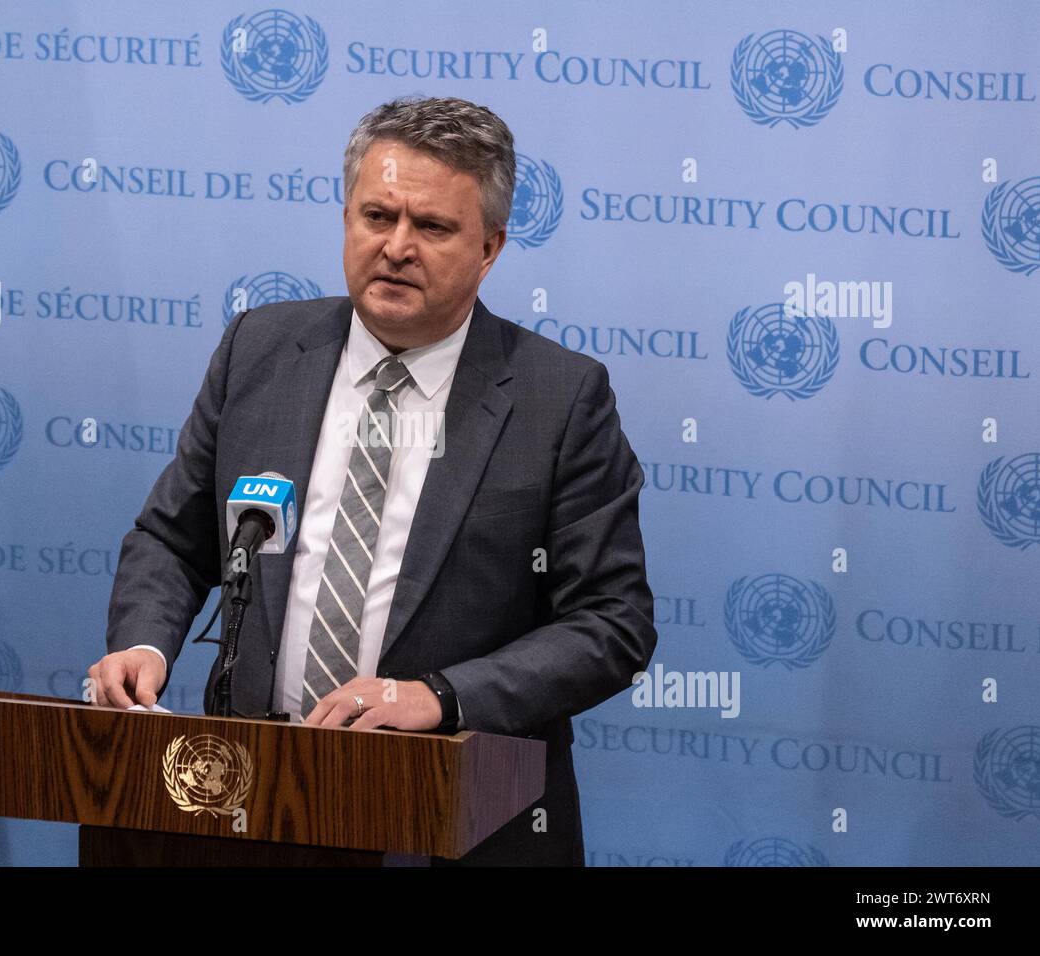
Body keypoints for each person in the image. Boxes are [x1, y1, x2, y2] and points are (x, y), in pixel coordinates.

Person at [90, 95, 657, 865]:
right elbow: (175, 536)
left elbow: (610, 624)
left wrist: (441, 697)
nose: (396, 247)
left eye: (431, 227)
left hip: (456, 816)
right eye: (376, 216)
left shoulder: (560, 400)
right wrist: (145, 644)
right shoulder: (258, 348)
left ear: (489, 248)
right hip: (260, 800)